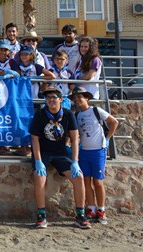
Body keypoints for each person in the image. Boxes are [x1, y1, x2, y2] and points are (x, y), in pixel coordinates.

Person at [29, 86, 89, 229]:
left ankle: (80, 215)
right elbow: (34, 139)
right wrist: (38, 161)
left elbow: (75, 139)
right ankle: (41, 215)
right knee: (39, 175)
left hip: (61, 153)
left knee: (79, 176)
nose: (50, 100)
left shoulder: (68, 114)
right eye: (48, 97)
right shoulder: (40, 114)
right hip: (43, 153)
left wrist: (75, 161)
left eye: (54, 97)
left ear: (61, 99)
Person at [70, 87, 119, 225]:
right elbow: (76, 134)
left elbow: (114, 122)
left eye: (80, 97)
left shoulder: (96, 110)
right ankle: (91, 208)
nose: (78, 100)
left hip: (98, 151)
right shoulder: (77, 115)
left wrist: (108, 138)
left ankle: (101, 209)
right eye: (75, 98)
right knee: (86, 181)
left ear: (87, 98)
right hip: (84, 151)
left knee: (98, 182)